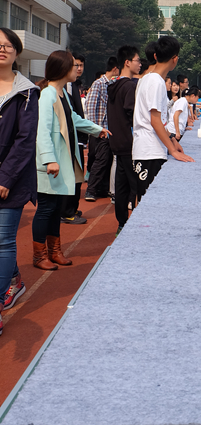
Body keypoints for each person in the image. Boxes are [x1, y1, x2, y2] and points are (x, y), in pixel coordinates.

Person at [33, 51, 107, 271]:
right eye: (74, 66)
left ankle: (54, 251)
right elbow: (42, 130)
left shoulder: (61, 93)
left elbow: (73, 119)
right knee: (46, 208)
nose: (78, 69)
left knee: (55, 208)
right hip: (52, 165)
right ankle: (40, 255)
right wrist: (49, 160)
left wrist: (97, 130)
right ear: (63, 69)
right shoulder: (48, 94)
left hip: (59, 163)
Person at [0, 28, 39, 333]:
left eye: (7, 45)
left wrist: (7, 177)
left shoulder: (26, 92)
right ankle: (14, 279)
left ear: (16, 52)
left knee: (2, 242)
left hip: (9, 180)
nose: (2, 49)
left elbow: (25, 140)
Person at [132, 36, 194, 198]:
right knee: (148, 202)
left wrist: (172, 140)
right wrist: (173, 151)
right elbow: (154, 120)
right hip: (149, 152)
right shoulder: (156, 82)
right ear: (175, 59)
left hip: (148, 149)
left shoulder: (146, 79)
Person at [107, 45, 142, 233]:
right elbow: (132, 114)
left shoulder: (113, 85)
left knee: (121, 185)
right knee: (136, 183)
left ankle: (122, 222)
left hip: (117, 142)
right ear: (127, 62)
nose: (140, 64)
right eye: (138, 60)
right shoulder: (128, 86)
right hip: (130, 143)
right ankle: (135, 222)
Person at [84, 56, 119, 201]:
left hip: (108, 131)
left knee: (106, 160)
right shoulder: (98, 84)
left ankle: (101, 189)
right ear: (115, 68)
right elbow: (90, 107)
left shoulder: (113, 84)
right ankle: (90, 191)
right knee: (101, 160)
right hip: (100, 130)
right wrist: (96, 130)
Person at [61, 53, 88, 225]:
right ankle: (66, 211)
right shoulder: (57, 90)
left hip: (78, 137)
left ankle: (71, 208)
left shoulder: (74, 86)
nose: (78, 69)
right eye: (75, 65)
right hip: (69, 139)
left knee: (78, 177)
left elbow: (77, 115)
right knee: (70, 177)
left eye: (80, 65)